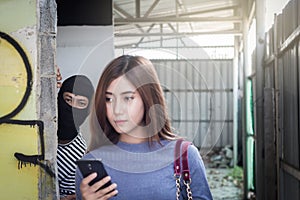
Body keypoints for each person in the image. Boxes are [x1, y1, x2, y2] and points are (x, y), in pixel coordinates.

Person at [75, 55, 212, 199]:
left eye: (127, 98)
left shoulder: (185, 155)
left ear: (148, 98)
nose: (117, 110)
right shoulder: (91, 167)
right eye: (109, 99)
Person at [57, 75, 95, 200]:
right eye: (68, 99)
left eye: (81, 103)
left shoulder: (79, 157)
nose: (72, 107)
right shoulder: (39, 130)